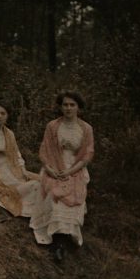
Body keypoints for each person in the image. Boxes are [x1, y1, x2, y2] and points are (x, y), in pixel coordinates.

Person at [30, 90, 95, 263]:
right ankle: (56, 245)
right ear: (60, 106)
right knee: (54, 196)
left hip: (75, 169)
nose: (68, 108)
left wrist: (70, 171)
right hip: (54, 166)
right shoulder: (52, 126)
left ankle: (66, 240)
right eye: (65, 104)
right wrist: (50, 169)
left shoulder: (86, 128)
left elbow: (87, 155)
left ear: (78, 108)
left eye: (72, 105)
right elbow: (45, 150)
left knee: (73, 198)